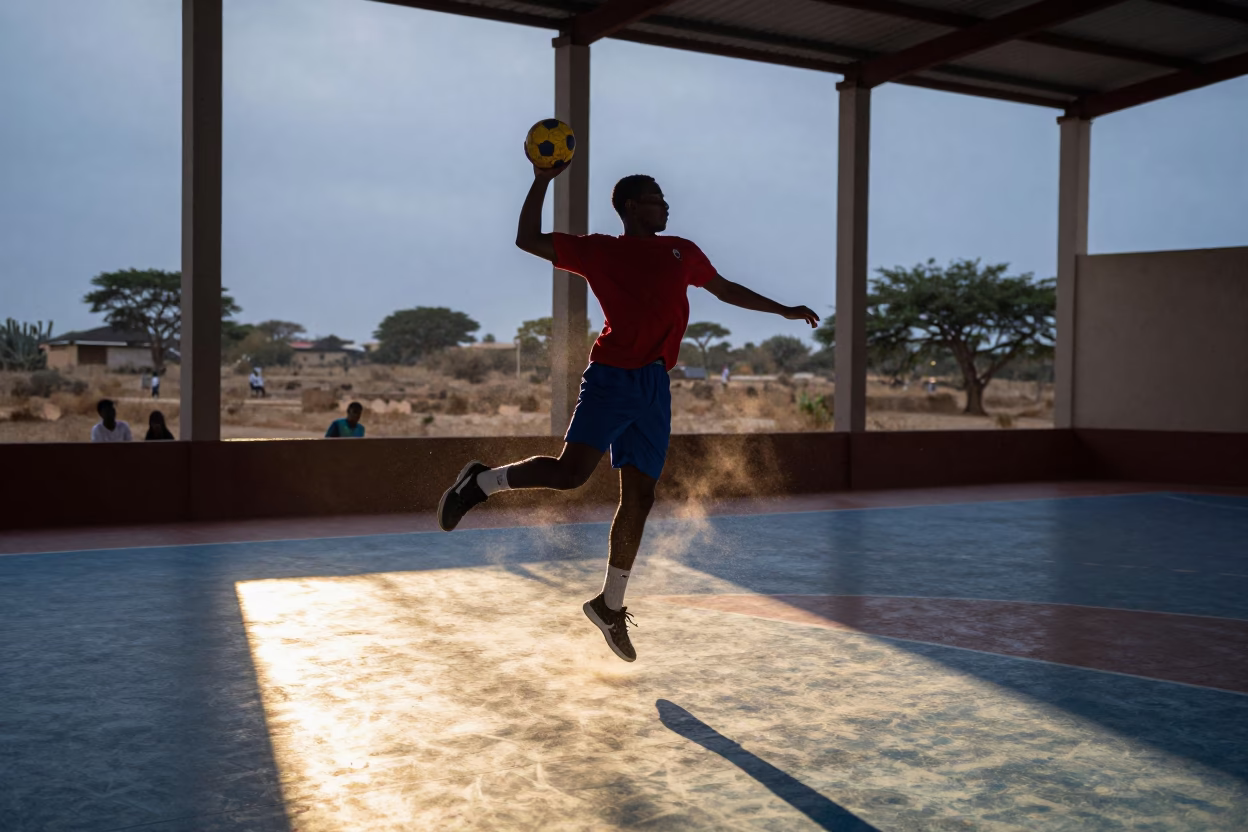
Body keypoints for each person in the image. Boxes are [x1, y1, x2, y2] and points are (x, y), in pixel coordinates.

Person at [436, 162, 819, 663]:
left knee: (640, 498)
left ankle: (609, 605)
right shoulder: (600, 250)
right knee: (570, 475)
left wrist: (783, 310)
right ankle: (479, 484)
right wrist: (542, 178)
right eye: (657, 198)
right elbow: (527, 239)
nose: (667, 205)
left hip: (655, 385)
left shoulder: (682, 250)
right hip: (613, 377)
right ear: (633, 207)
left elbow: (724, 289)